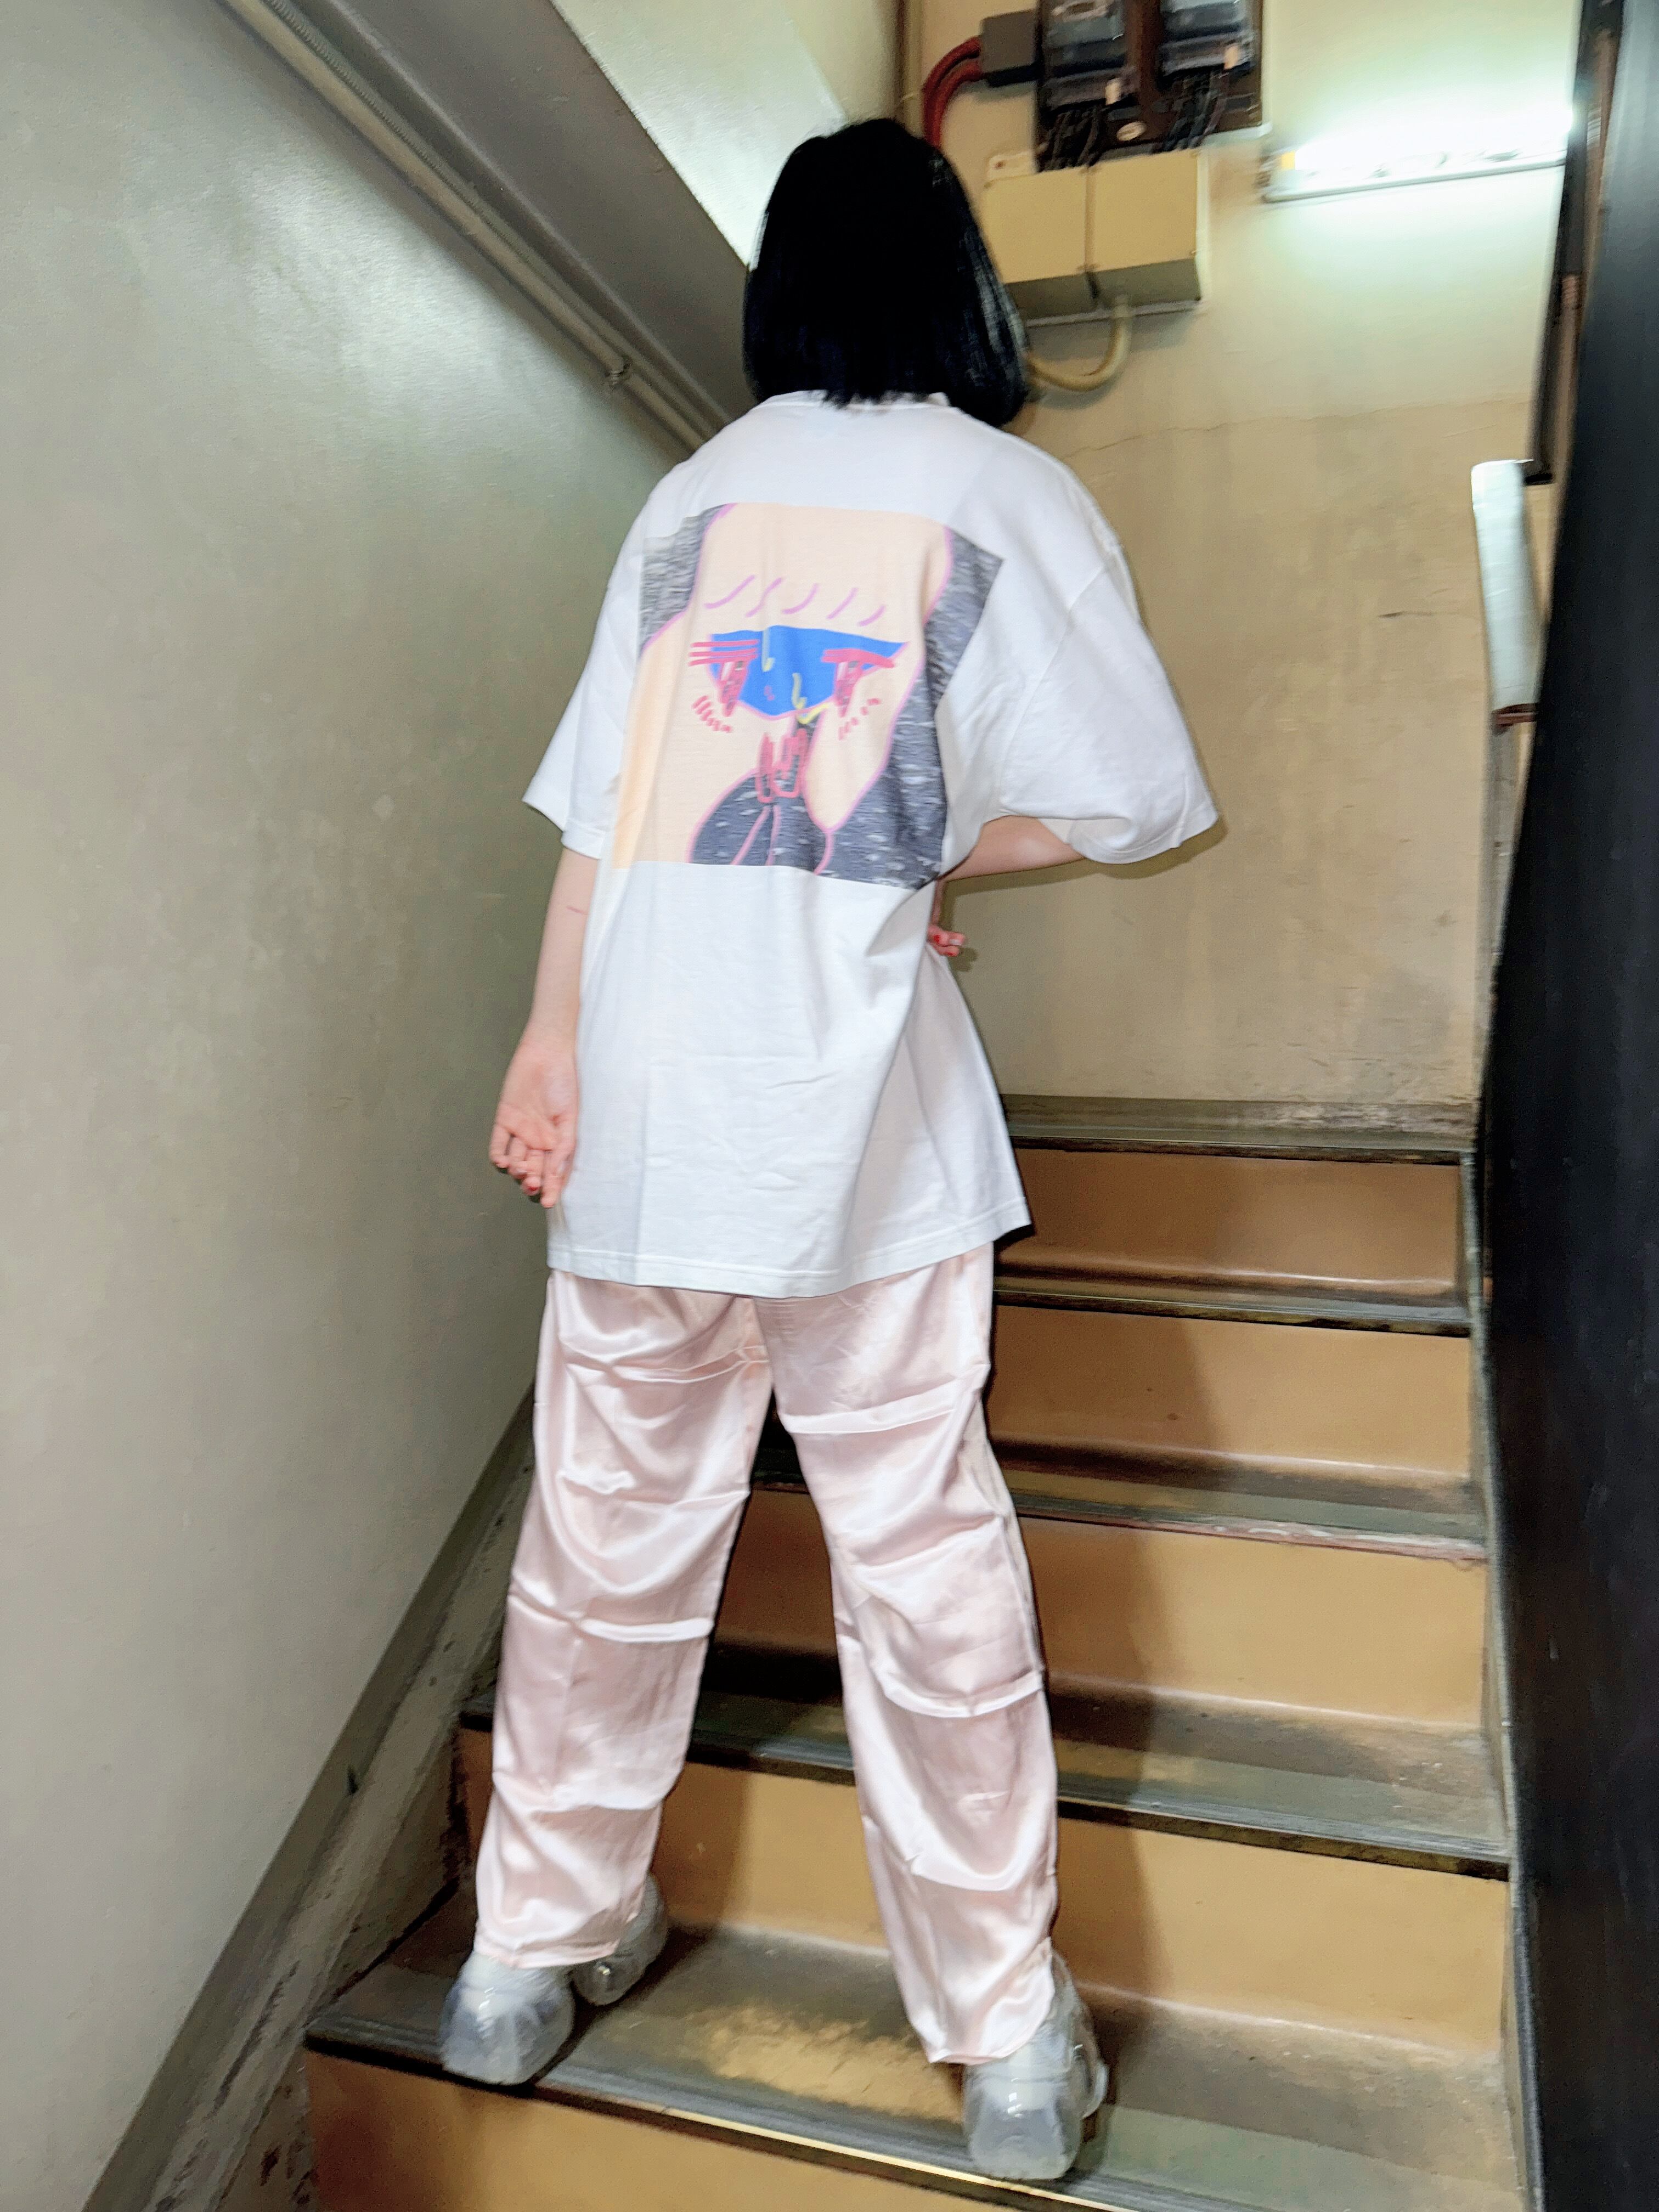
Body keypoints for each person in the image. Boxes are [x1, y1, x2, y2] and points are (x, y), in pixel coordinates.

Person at [439, 117, 1216, 2184]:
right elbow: (1143, 796)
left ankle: (523, 1957)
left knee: (602, 1555)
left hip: (645, 1128)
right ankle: (1008, 2034)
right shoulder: (1005, 494)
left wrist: (546, 1044)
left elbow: (605, 821)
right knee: (924, 1571)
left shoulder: (688, 500)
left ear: (781, 284)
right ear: (958, 280)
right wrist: (925, 839)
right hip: (863, 1140)